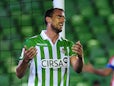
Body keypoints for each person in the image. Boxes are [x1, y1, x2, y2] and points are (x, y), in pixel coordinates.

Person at [16, 8, 84, 86]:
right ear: (48, 19)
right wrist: (25, 60)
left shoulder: (68, 44)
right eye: (59, 17)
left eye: (63, 18)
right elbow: (19, 74)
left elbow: (78, 69)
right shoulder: (32, 42)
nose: (63, 20)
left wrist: (80, 57)